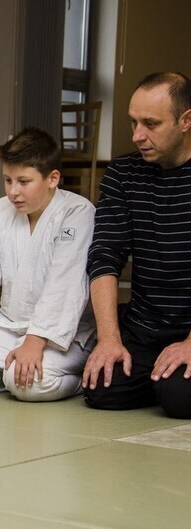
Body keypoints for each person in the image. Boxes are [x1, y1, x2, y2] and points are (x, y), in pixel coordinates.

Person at [0, 127, 96, 401]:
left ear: (52, 178)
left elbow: (65, 285)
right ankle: (9, 375)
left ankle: (76, 381)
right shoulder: (0, 210)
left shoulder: (77, 212)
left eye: (24, 182)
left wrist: (35, 342)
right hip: (9, 324)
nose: (13, 192)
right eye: (8, 180)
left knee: (28, 385)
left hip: (63, 334)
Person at [83, 72, 191, 419]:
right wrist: (109, 339)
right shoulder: (123, 173)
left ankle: (168, 378)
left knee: (178, 396)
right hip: (145, 327)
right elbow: (104, 256)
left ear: (186, 121)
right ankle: (161, 374)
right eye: (134, 122)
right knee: (102, 388)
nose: (137, 135)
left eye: (151, 124)